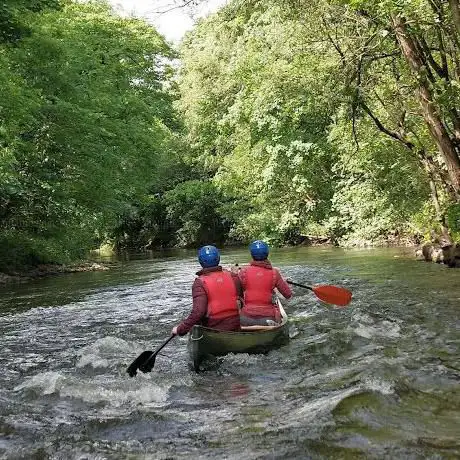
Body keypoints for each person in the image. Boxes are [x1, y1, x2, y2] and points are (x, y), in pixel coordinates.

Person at [171, 245, 243, 336]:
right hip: (234, 326)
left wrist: (180, 329)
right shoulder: (233, 277)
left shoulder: (199, 282)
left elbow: (198, 312)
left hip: (213, 329)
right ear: (218, 258)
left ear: (200, 261)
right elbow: (241, 302)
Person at [238, 240, 292, 326]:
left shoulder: (243, 272)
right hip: (268, 318)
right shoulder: (275, 273)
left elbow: (237, 292)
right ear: (267, 253)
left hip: (245, 318)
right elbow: (288, 294)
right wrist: (284, 283)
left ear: (252, 255)